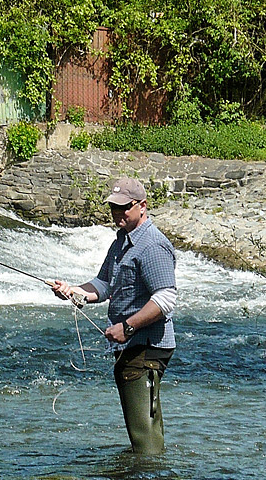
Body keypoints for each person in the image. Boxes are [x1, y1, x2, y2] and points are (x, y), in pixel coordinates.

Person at [51, 177, 176, 454]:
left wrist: (127, 328)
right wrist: (73, 291)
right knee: (147, 430)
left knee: (145, 438)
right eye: (113, 208)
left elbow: (166, 299)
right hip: (134, 347)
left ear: (142, 206)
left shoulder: (153, 245)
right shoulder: (121, 242)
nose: (118, 213)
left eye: (124, 208)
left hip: (147, 347)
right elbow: (104, 285)